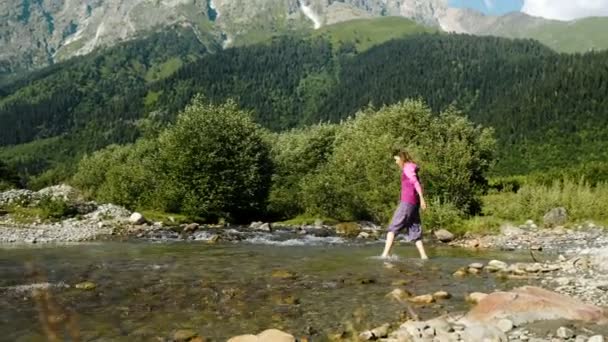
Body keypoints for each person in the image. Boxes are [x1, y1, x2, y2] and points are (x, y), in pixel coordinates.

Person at [381, 150, 429, 260]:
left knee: (392, 228)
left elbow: (415, 182)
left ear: (402, 158)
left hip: (407, 202)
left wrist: (422, 199)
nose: (396, 162)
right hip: (413, 204)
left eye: (396, 160)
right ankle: (424, 257)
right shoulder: (411, 167)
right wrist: (420, 200)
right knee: (414, 229)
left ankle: (384, 255)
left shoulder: (407, 167)